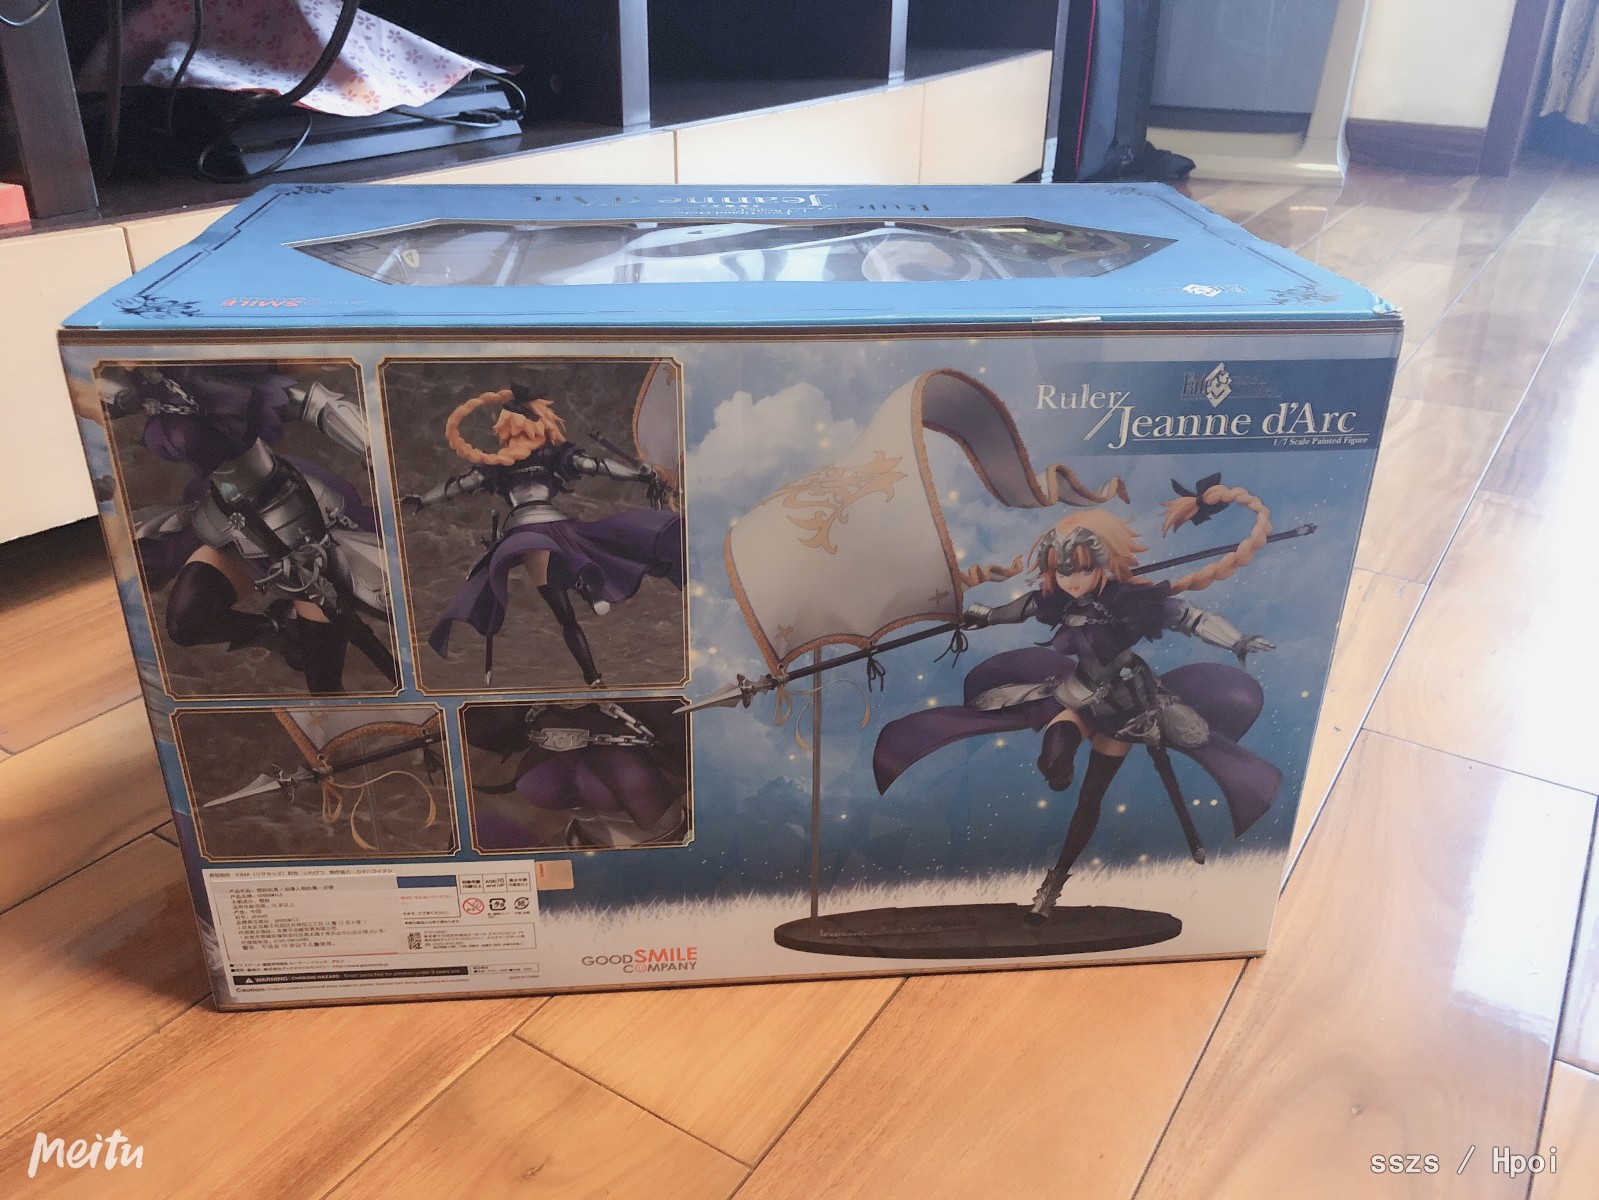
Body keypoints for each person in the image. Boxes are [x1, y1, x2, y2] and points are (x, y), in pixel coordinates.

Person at [873, 482, 1283, 921]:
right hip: (1079, 692)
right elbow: (1025, 607)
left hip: (1128, 709)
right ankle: (1058, 769)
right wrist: (988, 615)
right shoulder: (1058, 600)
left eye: (1081, 570)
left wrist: (1236, 640)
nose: (1070, 580)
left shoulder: (1132, 602)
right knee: (1055, 758)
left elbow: (1189, 617)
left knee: (1091, 797)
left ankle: (1053, 884)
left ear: (1102, 564)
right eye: (1062, 570)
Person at [100, 364, 392, 693]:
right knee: (188, 622)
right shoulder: (149, 385)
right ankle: (281, 630)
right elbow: (96, 393)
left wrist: (373, 449)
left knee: (324, 684)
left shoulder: (205, 376)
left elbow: (314, 402)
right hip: (228, 519)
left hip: (290, 518)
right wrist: (118, 399)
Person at [406, 386, 683, 686]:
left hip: (526, 532)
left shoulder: (500, 464)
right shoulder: (551, 454)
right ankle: (586, 592)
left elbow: (460, 485)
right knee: (581, 563)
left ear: (507, 428)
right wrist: (639, 475)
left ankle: (592, 670)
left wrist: (423, 500)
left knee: (565, 617)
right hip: (556, 526)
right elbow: (596, 467)